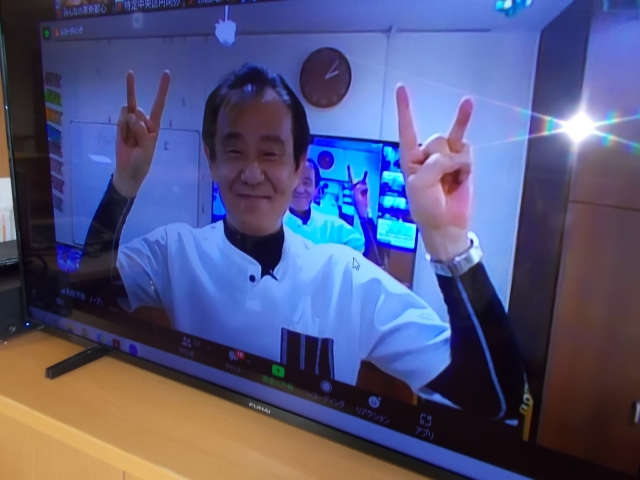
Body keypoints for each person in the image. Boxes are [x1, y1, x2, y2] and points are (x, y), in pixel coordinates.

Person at [79, 64, 526, 421]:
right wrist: (125, 183)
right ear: (211, 160)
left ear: (298, 167)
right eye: (233, 150)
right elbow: (85, 303)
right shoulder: (174, 252)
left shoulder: (348, 279)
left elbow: (492, 399)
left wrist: (447, 238)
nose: (252, 172)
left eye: (271, 152)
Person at [285, 158, 382, 263]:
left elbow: (361, 264)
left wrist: (362, 212)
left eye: (306, 183)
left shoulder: (331, 227)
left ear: (316, 190)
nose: (299, 189)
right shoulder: (274, 224)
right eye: (294, 181)